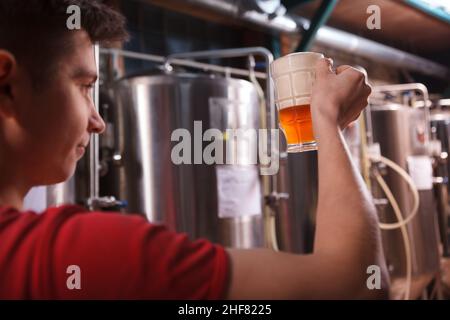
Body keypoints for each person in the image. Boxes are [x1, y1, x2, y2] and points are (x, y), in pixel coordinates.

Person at [0, 0, 389, 299]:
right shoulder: (74, 254)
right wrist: (330, 123)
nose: (97, 121)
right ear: (8, 85)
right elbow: (353, 287)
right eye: (85, 86)